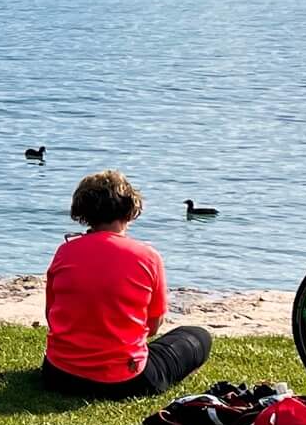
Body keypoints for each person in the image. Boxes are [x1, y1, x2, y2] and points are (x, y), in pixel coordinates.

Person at [41, 168, 212, 399]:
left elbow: (52, 315)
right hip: (124, 379)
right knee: (198, 336)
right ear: (131, 210)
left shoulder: (65, 252)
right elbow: (153, 326)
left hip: (59, 373)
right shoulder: (147, 257)